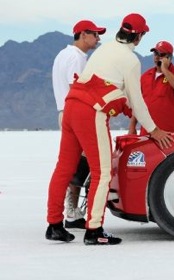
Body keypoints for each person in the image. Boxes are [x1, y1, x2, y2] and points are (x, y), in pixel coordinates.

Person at [45, 13, 174, 245]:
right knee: (102, 171)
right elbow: (137, 101)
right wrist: (153, 130)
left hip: (71, 107)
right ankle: (94, 230)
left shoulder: (104, 50)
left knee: (63, 168)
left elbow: (107, 87)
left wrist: (126, 109)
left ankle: (54, 225)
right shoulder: (131, 60)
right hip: (90, 112)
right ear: (140, 35)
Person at [51, 19, 106, 230]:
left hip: (65, 113)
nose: (98, 39)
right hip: (77, 114)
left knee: (72, 164)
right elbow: (79, 88)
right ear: (83, 34)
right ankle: (74, 212)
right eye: (95, 34)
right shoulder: (76, 58)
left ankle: (70, 213)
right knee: (87, 164)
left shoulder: (62, 55)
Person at [128, 40, 174, 135]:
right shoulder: (145, 76)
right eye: (155, 53)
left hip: (173, 134)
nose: (157, 57)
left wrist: (164, 69)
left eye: (161, 54)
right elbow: (138, 103)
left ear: (169, 57)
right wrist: (132, 126)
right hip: (149, 133)